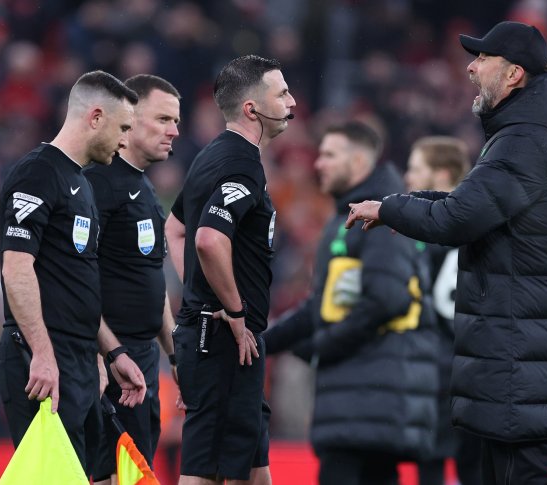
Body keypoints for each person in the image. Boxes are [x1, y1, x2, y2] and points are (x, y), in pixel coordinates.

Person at [346, 21, 547, 485]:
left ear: (514, 74)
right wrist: (397, 207)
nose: (471, 68)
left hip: (521, 359)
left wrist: (392, 208)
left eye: (482, 59)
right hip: (520, 356)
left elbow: (458, 219)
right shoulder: (528, 134)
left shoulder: (525, 140)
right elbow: (464, 205)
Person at [263, 122, 439, 485]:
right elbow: (323, 307)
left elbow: (386, 300)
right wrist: (263, 344)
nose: (318, 164)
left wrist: (321, 346)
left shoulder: (384, 216)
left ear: (358, 161)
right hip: (360, 399)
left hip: (371, 396)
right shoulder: (349, 215)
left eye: (329, 155)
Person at [0, 70, 147, 475]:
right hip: (41, 361)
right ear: (95, 117)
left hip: (78, 361)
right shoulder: (37, 173)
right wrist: (43, 354)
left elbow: (74, 285)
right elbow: (16, 266)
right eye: (123, 128)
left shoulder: (80, 183)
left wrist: (106, 353)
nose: (125, 140)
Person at [164, 54, 296, 485]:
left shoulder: (210, 156)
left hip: (227, 337)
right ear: (251, 108)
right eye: (282, 94)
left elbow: (176, 227)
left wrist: (200, 292)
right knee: (207, 467)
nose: (292, 102)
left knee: (253, 464)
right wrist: (232, 311)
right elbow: (207, 238)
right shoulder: (240, 163)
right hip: (223, 337)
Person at [83, 74, 181, 482]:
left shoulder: (143, 188)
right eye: (162, 119)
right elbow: (73, 280)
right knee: (107, 474)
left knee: (137, 473)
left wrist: (176, 354)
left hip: (142, 361)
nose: (174, 131)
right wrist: (103, 353)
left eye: (175, 121)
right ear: (129, 120)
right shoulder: (95, 186)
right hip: (110, 363)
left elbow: (150, 282)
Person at [404, 137, 481, 485]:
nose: (407, 177)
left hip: (435, 364)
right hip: (478, 364)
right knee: (475, 466)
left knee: (431, 461)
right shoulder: (481, 220)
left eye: (415, 169)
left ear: (442, 174)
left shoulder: (425, 228)